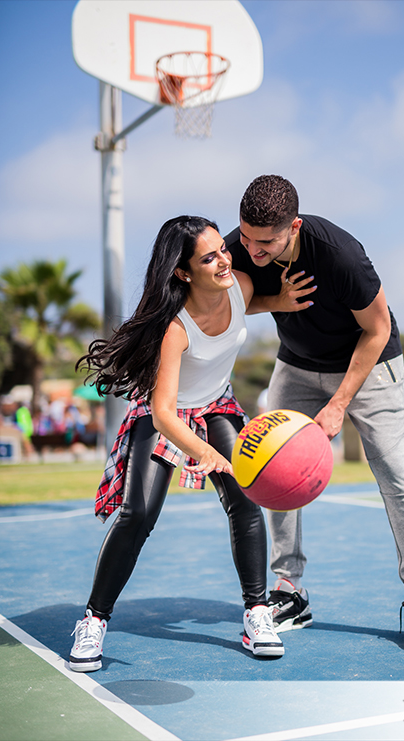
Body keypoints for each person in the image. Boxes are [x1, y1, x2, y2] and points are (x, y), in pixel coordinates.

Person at [225, 175, 404, 651]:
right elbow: (223, 302)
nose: (252, 250)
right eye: (245, 237)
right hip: (296, 366)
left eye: (264, 242)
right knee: (269, 471)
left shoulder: (338, 254)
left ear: (294, 227)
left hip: (369, 364)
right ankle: (288, 590)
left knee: (393, 471)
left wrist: (339, 403)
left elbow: (378, 328)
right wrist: (276, 302)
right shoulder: (239, 248)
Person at [67, 216, 283, 672]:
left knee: (246, 500)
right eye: (209, 257)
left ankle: (257, 612)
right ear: (184, 272)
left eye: (222, 250)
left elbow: (249, 304)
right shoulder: (175, 328)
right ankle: (94, 620)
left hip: (217, 403)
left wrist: (282, 299)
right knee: (138, 514)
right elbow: (164, 413)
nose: (225, 259)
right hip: (166, 412)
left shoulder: (239, 285)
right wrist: (204, 452)